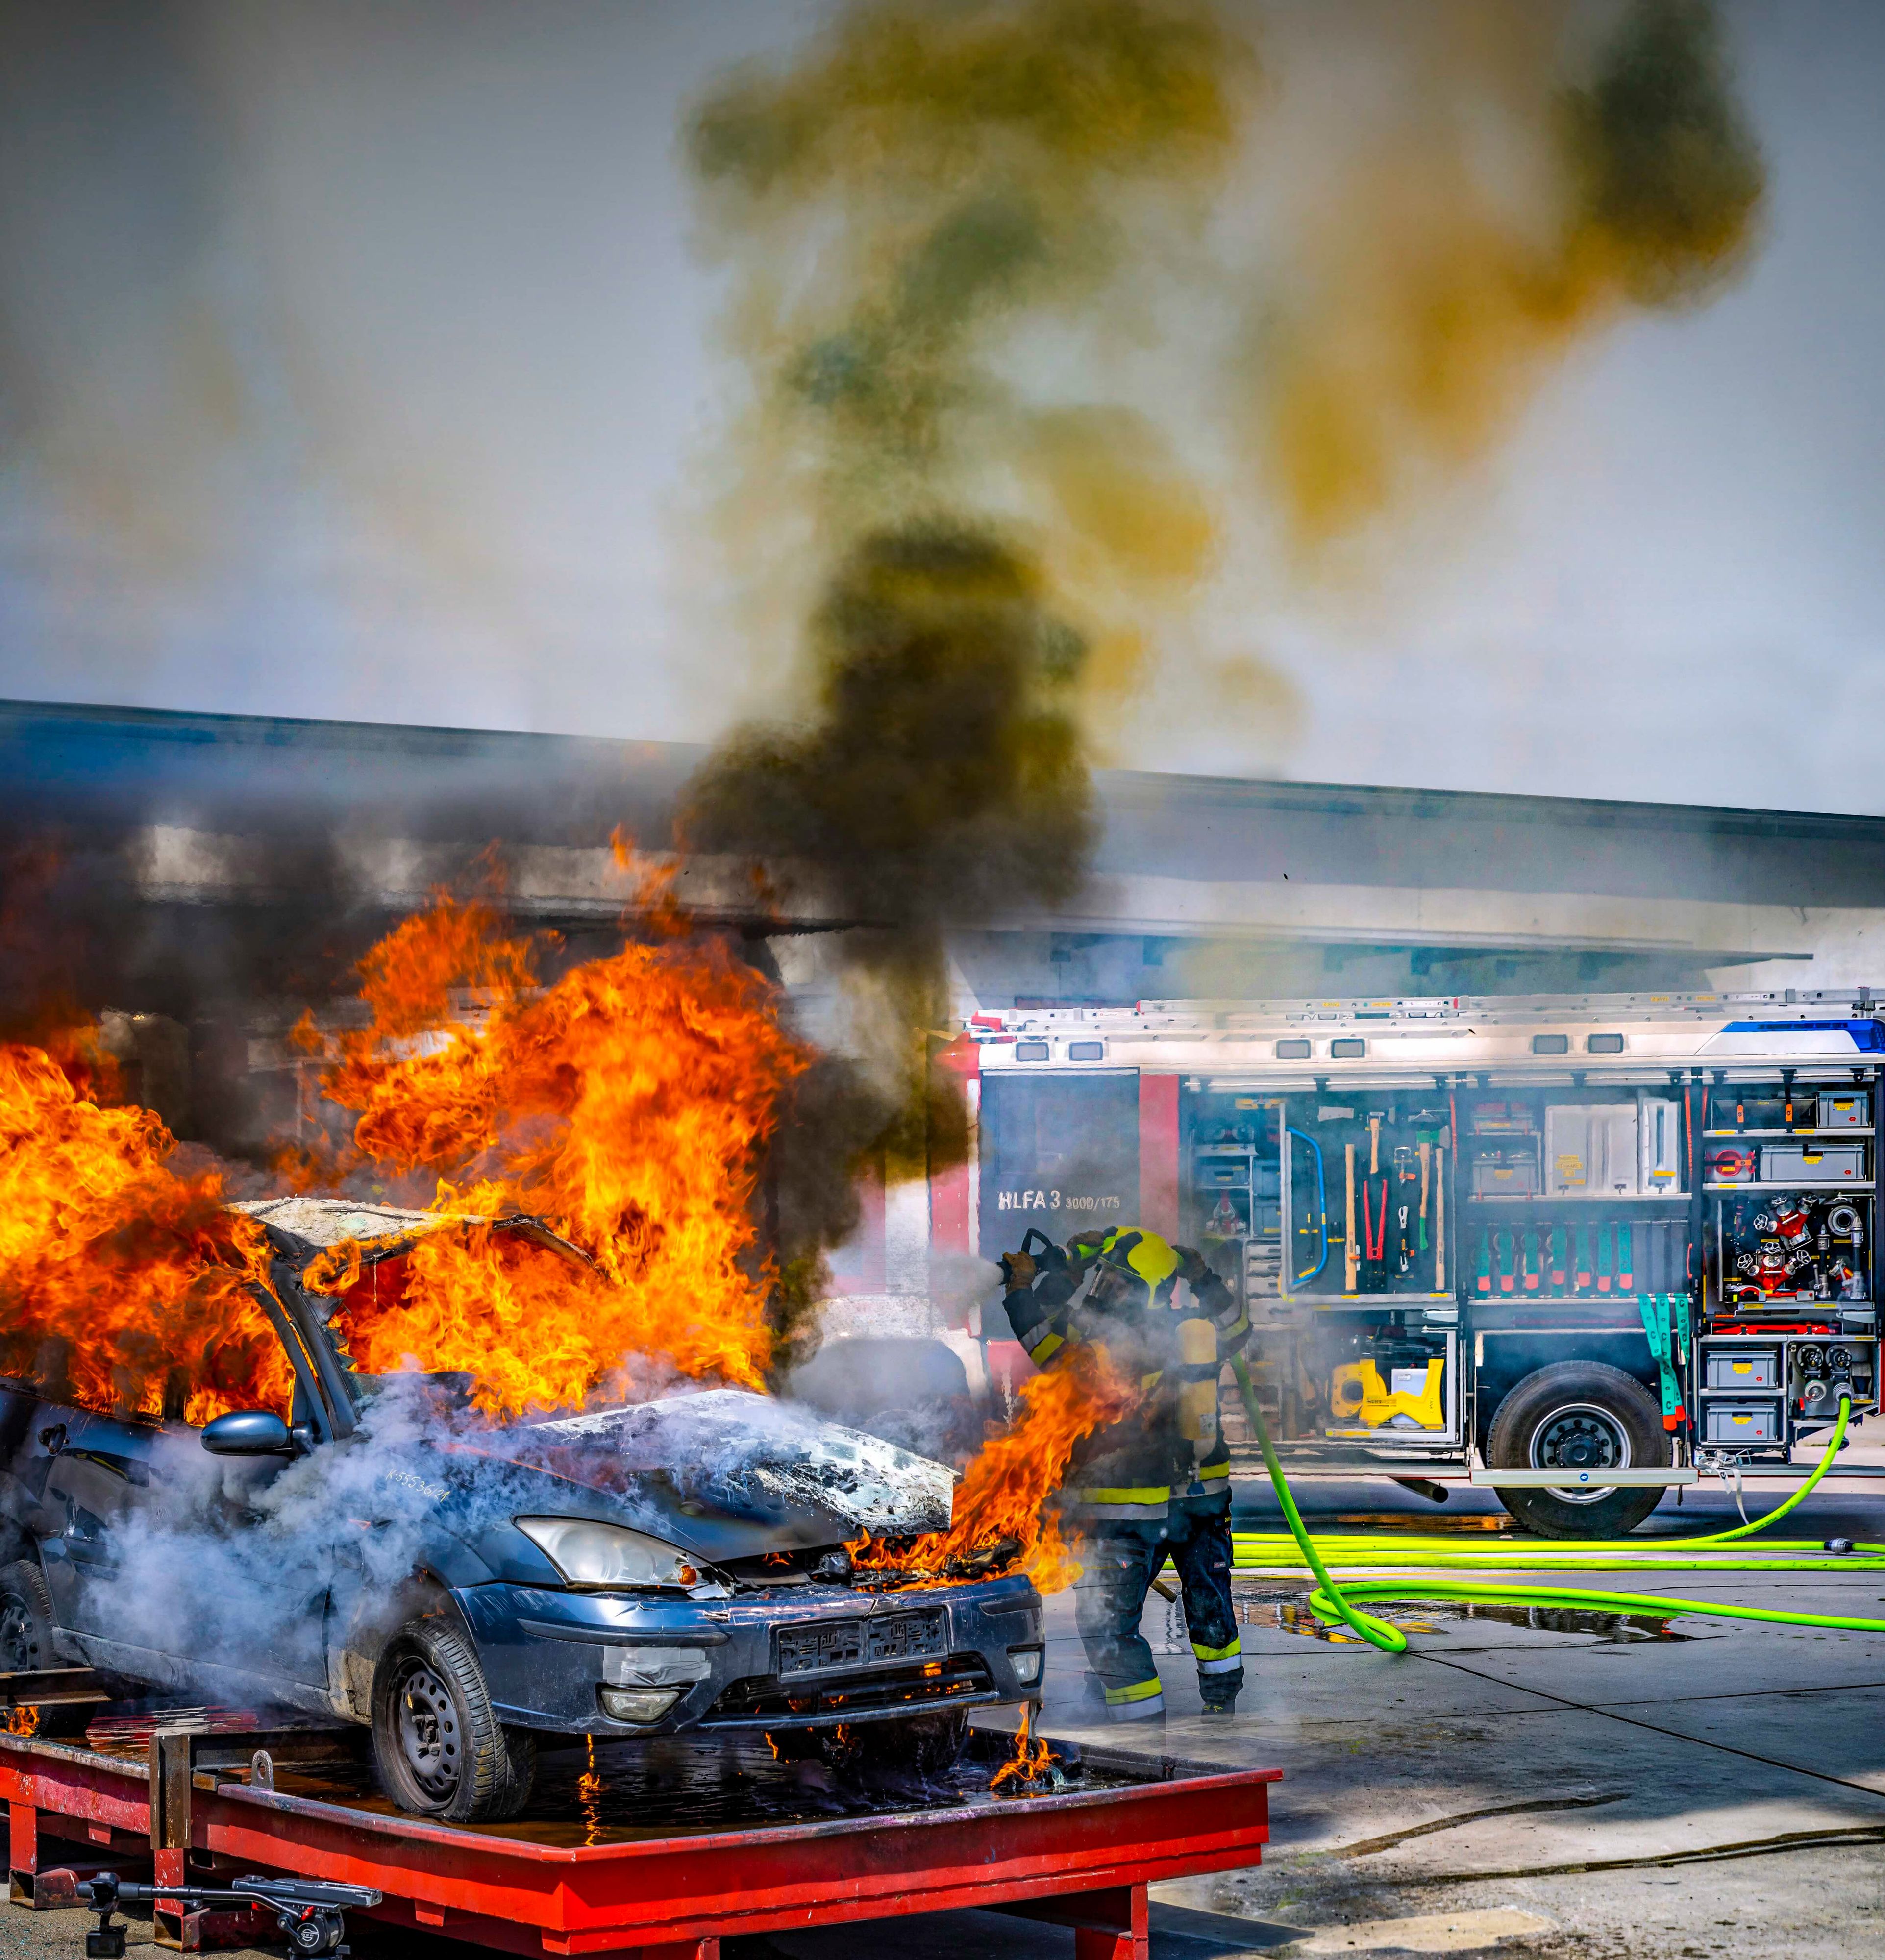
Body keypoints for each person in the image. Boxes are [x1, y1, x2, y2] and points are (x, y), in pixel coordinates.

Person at [1001, 1225, 1250, 1721]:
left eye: (1118, 1282)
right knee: (1208, 1598)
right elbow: (1239, 1327)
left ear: (1146, 1290)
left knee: (1108, 1624)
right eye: (1105, 1279)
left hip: (1124, 1508)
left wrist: (1022, 1289)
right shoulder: (1188, 1330)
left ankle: (1138, 1727)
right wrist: (1204, 1279)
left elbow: (1043, 1341)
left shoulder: (1106, 1342)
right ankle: (1221, 1699)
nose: (1106, 1288)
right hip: (1201, 1497)